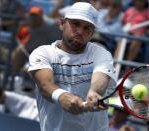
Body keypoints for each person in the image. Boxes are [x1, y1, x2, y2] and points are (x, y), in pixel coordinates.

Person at [28, 2, 116, 131]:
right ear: (62, 23)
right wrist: (62, 96)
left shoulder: (101, 53)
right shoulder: (42, 53)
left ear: (92, 33)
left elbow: (100, 78)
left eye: (87, 28)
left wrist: (94, 93)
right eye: (75, 24)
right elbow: (45, 85)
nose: (80, 31)